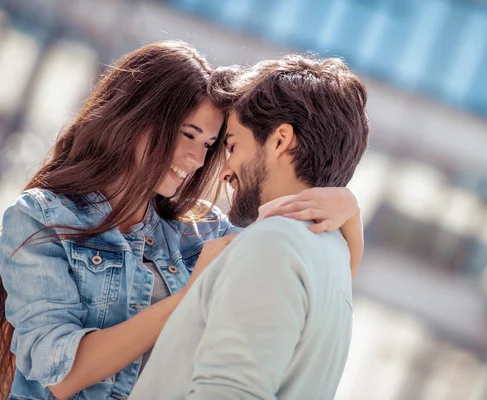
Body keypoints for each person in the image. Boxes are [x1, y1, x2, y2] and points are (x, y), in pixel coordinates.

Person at [0, 41, 364, 400]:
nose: (198, 158)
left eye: (209, 145)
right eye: (188, 135)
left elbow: (294, 279)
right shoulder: (40, 219)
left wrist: (348, 209)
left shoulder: (205, 229)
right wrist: (190, 296)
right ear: (136, 119)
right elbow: (61, 375)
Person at [130, 54, 370, 399]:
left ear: (279, 140)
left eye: (232, 146)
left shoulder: (273, 244)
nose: (224, 170)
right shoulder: (335, 255)